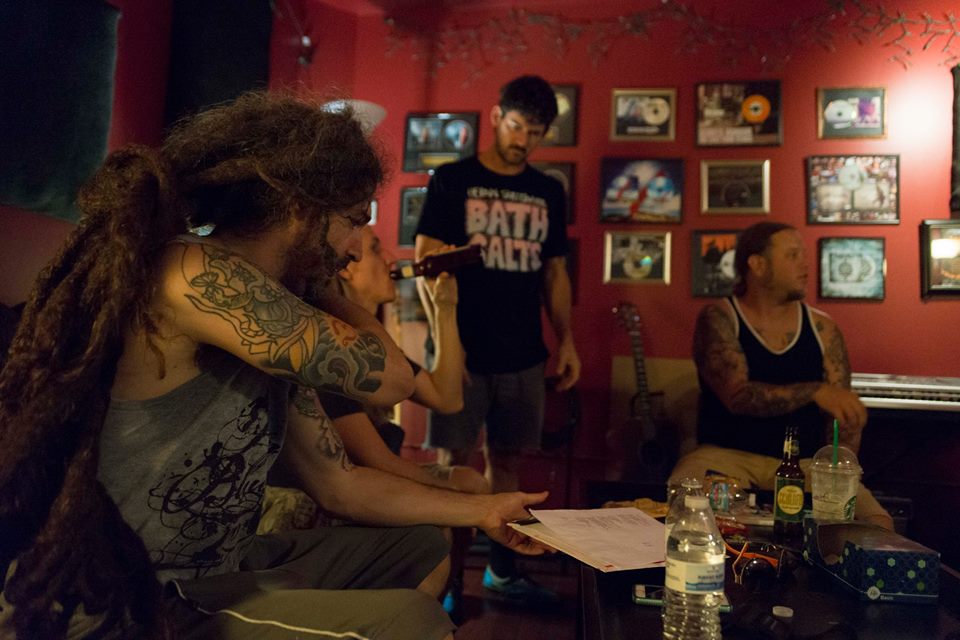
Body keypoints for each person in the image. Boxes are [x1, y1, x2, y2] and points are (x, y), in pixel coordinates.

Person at [0, 92, 550, 640]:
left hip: (221, 568)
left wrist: (484, 511)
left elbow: (338, 484)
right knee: (412, 621)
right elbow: (394, 379)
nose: (358, 249)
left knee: (420, 545)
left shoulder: (270, 312)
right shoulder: (195, 271)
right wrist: (318, 282)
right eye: (352, 221)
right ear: (298, 207)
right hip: (137, 590)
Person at [414, 74, 580, 604]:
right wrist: (446, 343)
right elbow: (425, 263)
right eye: (516, 126)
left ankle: (501, 573)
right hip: (462, 350)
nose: (523, 140)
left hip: (523, 351)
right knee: (453, 468)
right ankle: (448, 583)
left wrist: (567, 340)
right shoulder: (453, 179)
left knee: (508, 463)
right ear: (495, 117)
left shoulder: (548, 190)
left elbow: (555, 272)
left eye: (536, 132)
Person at [670, 221, 893, 529]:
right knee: (683, 510)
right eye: (792, 255)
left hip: (805, 463)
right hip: (728, 457)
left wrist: (840, 463)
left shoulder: (823, 328)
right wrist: (815, 392)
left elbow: (840, 416)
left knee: (878, 523)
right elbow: (738, 396)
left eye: (803, 255)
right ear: (758, 265)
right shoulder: (720, 318)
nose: (805, 264)